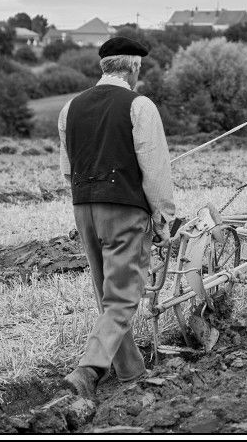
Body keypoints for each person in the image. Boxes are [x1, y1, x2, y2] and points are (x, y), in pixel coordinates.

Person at [58, 36, 176, 398]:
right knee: (123, 297)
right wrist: (163, 218)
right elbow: (154, 171)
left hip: (84, 207)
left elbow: (67, 169)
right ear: (134, 67)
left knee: (106, 293)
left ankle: (130, 370)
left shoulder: (70, 109)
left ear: (103, 66)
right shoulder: (139, 106)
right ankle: (88, 370)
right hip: (123, 209)